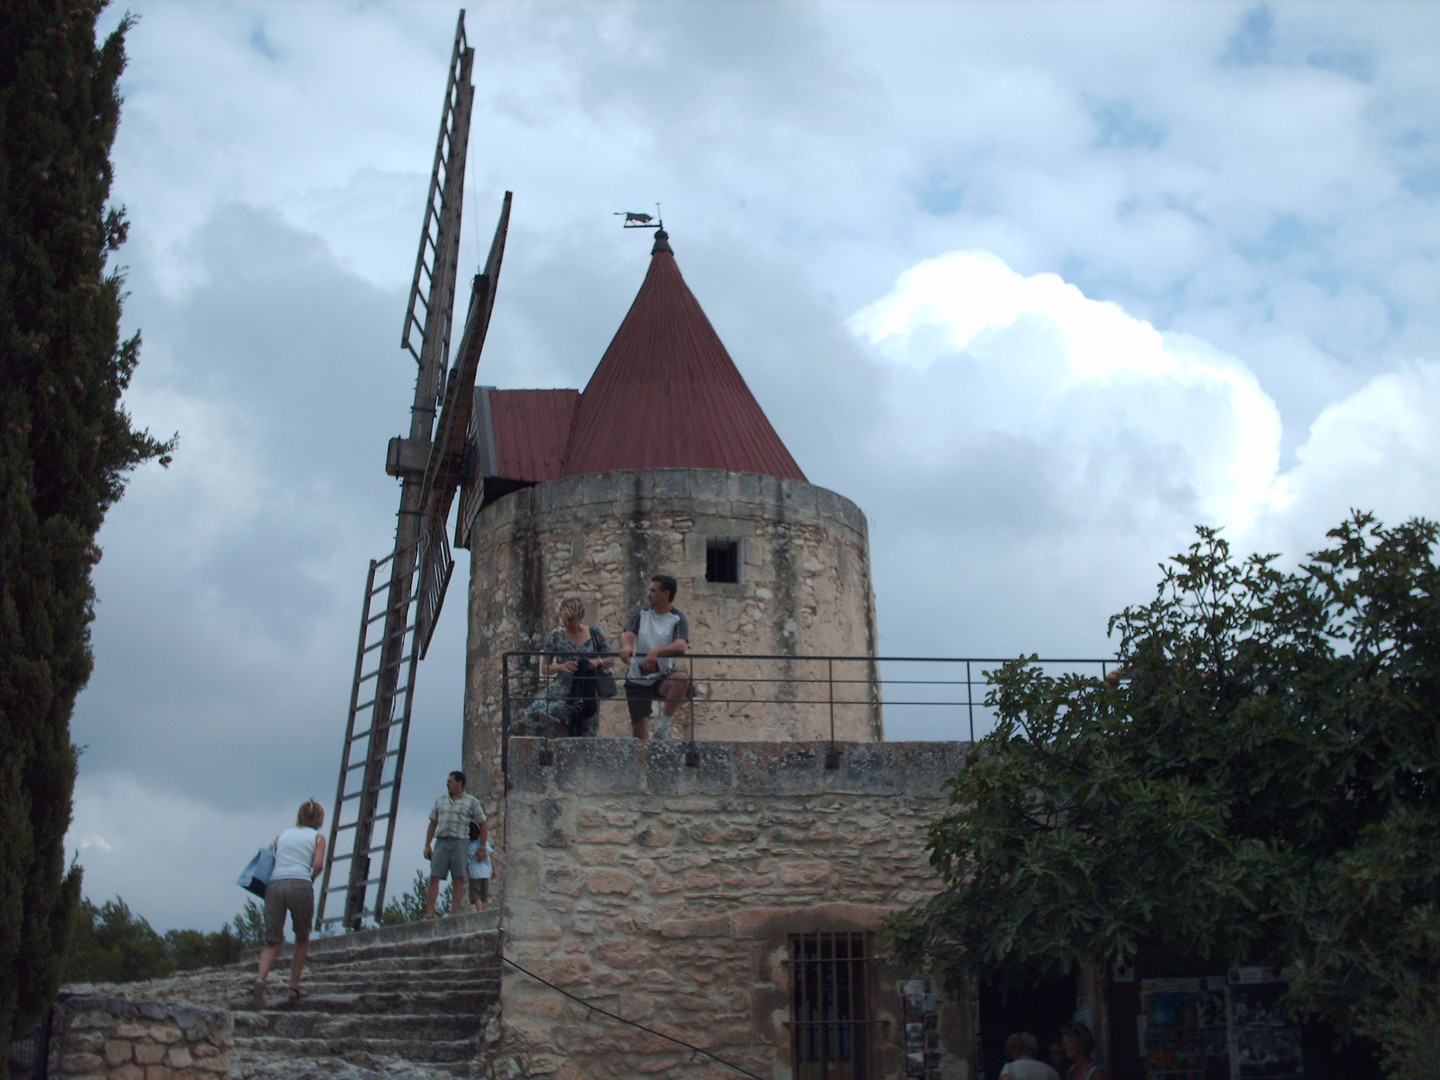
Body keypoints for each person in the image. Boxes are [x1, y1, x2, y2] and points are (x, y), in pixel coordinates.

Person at [253, 799, 326, 1005]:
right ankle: (293, 986)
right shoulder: (318, 838)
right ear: (319, 819)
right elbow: (318, 864)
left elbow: (266, 855)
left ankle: (260, 978)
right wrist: (311, 877)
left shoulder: (282, 835)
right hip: (300, 883)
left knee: (273, 941)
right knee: (302, 937)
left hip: (275, 885)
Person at [516, 597, 613, 738]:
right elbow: (545, 668)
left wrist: (597, 662)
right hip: (562, 687)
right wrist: (561, 666)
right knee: (539, 713)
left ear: (580, 617)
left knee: (586, 731)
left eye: (571, 619)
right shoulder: (555, 636)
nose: (567, 623)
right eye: (564, 619)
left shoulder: (596, 634)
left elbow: (611, 660)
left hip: (587, 689)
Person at [618, 574, 690, 740]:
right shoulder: (642, 612)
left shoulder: (678, 618)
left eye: (653, 590)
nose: (649, 594)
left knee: (681, 680)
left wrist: (656, 652)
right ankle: (644, 762)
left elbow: (681, 645)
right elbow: (628, 634)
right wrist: (627, 645)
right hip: (637, 679)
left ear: (665, 594)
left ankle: (663, 727)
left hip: (661, 677)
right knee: (640, 734)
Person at [424, 771, 488, 918]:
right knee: (434, 876)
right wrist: (427, 844)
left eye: (451, 781)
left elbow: (483, 823)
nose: (448, 784)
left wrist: (483, 847)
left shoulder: (471, 802)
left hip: (460, 842)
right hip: (442, 840)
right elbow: (433, 823)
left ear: (460, 783)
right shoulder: (440, 801)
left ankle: (453, 914)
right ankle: (430, 913)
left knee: (458, 878)